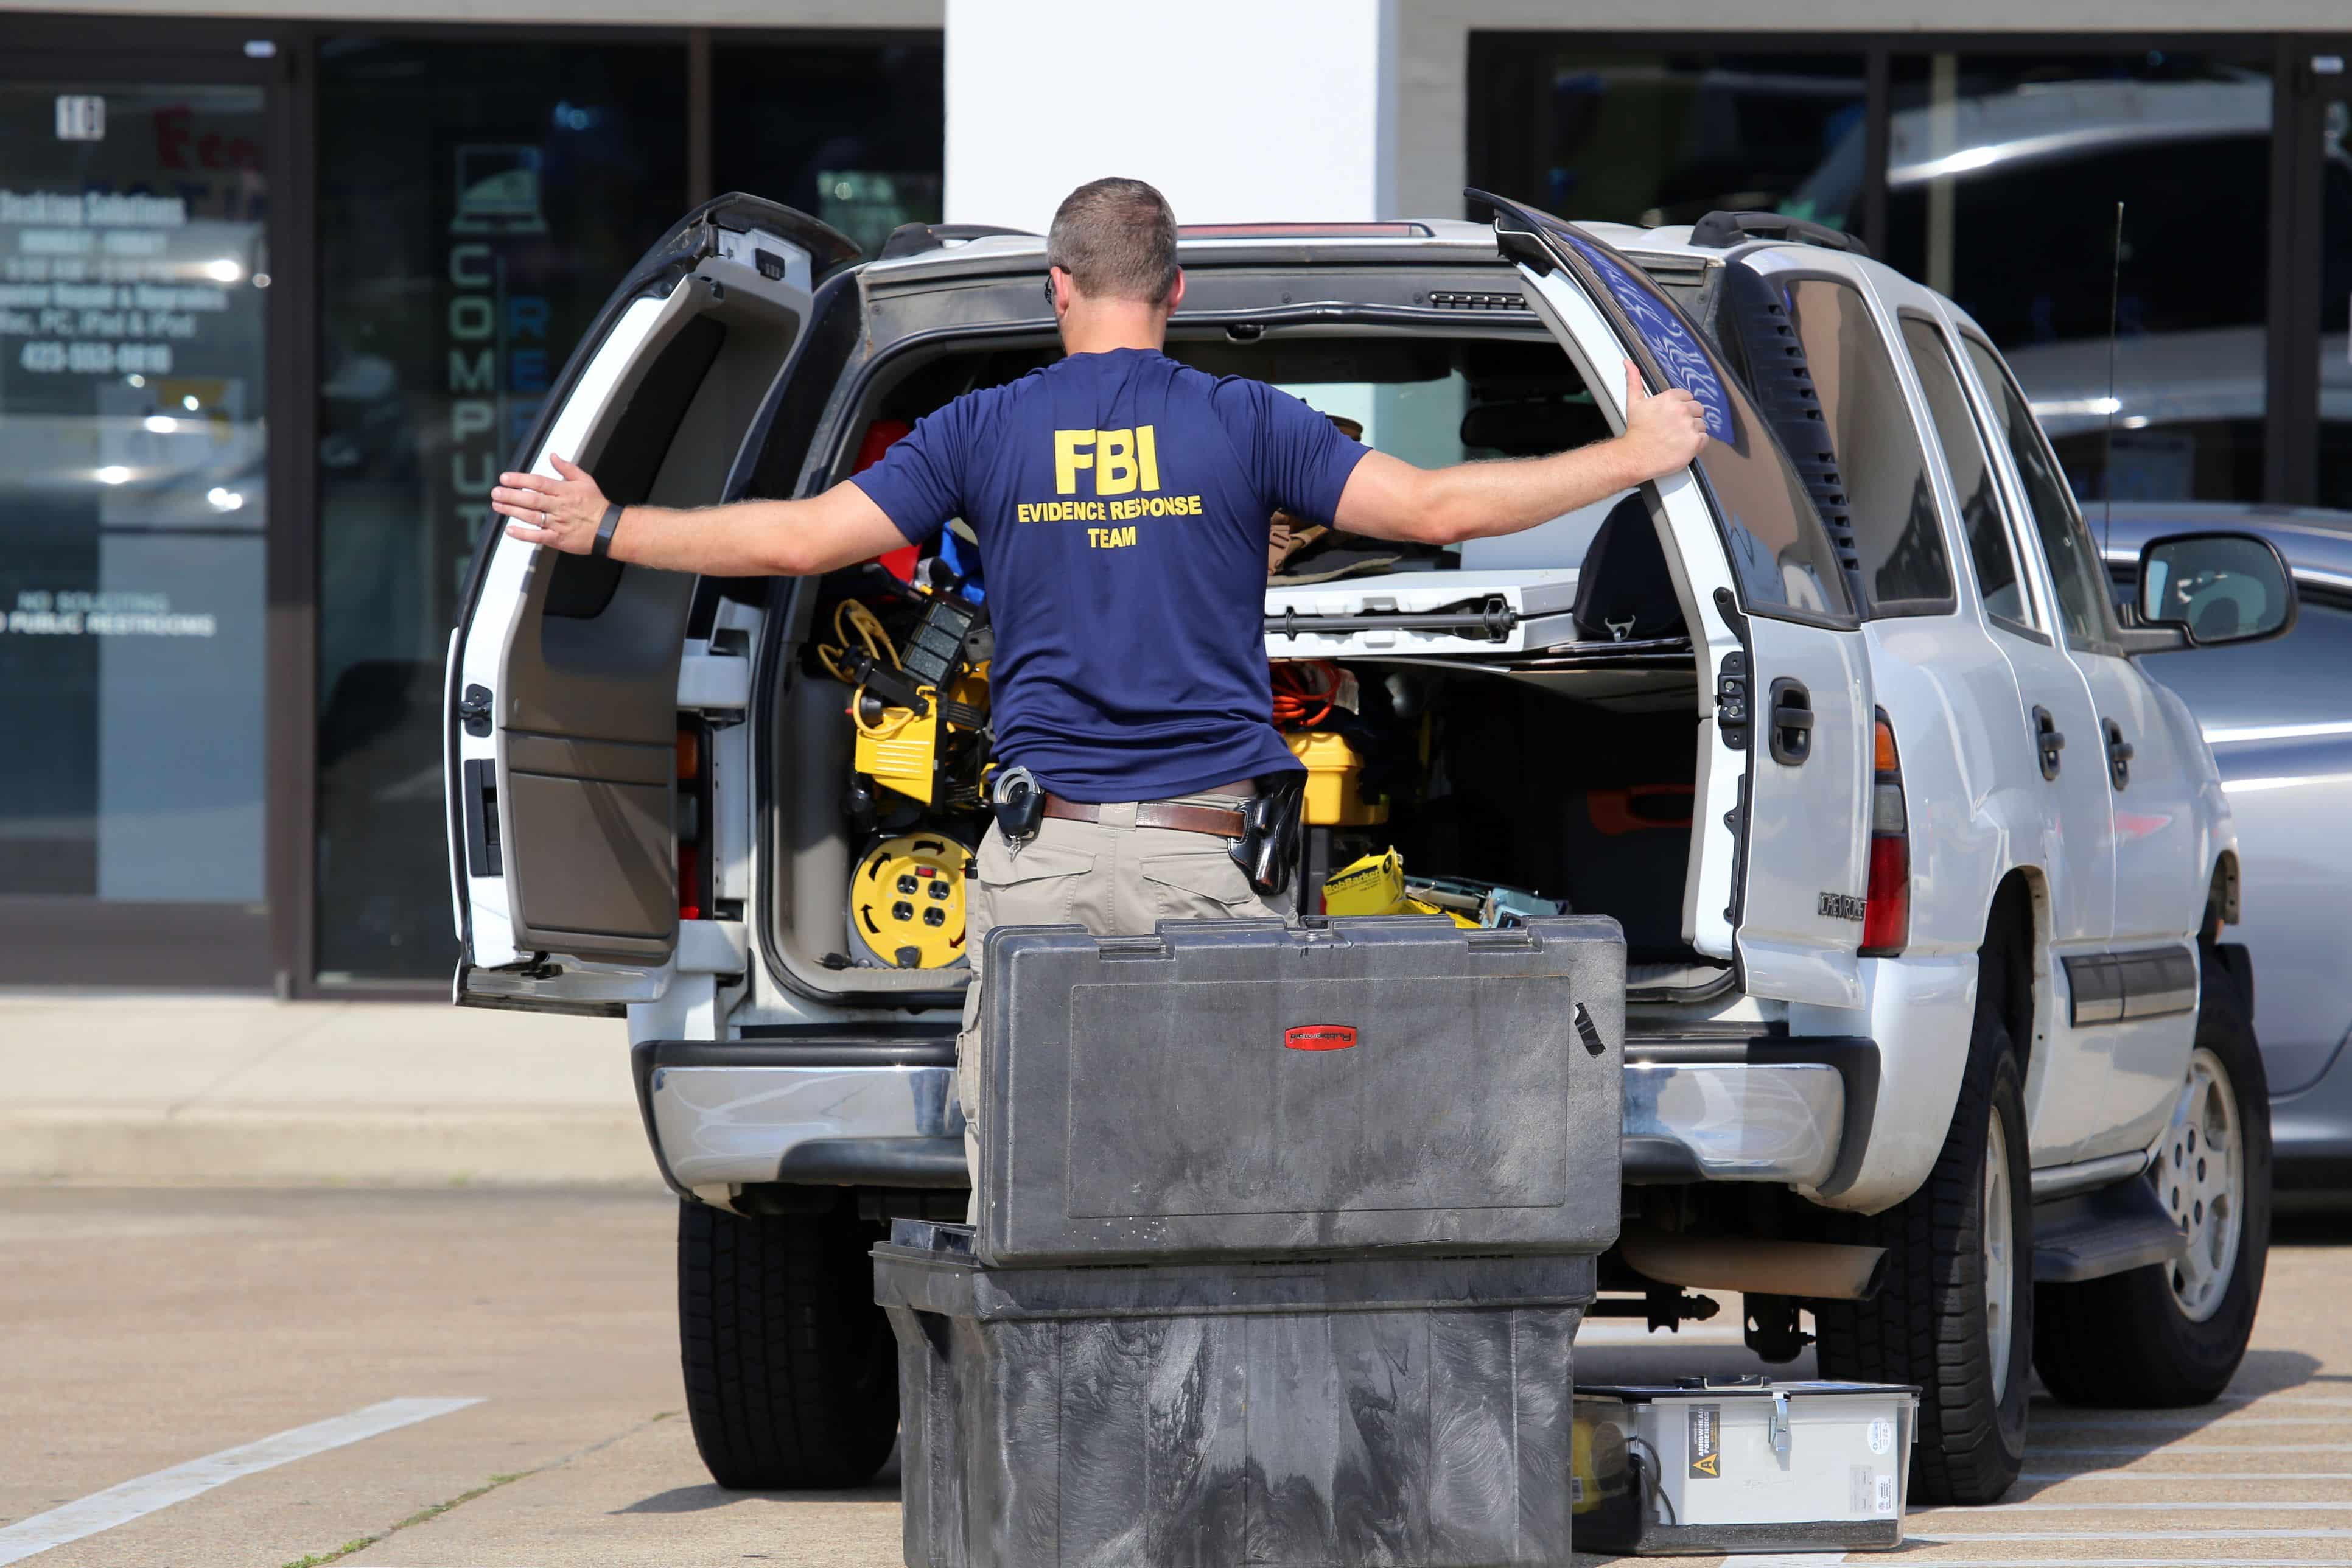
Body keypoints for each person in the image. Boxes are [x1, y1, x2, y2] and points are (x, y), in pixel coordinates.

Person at [490, 175, 1709, 1192]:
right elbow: (1442, 506)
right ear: (1175, 291)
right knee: (1232, 1181)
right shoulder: (1247, 421)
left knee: (1041, 1188)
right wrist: (1636, 452)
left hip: (1046, 859)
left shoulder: (983, 430)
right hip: (1209, 859)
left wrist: (610, 528)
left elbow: (803, 542)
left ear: (1057, 288)